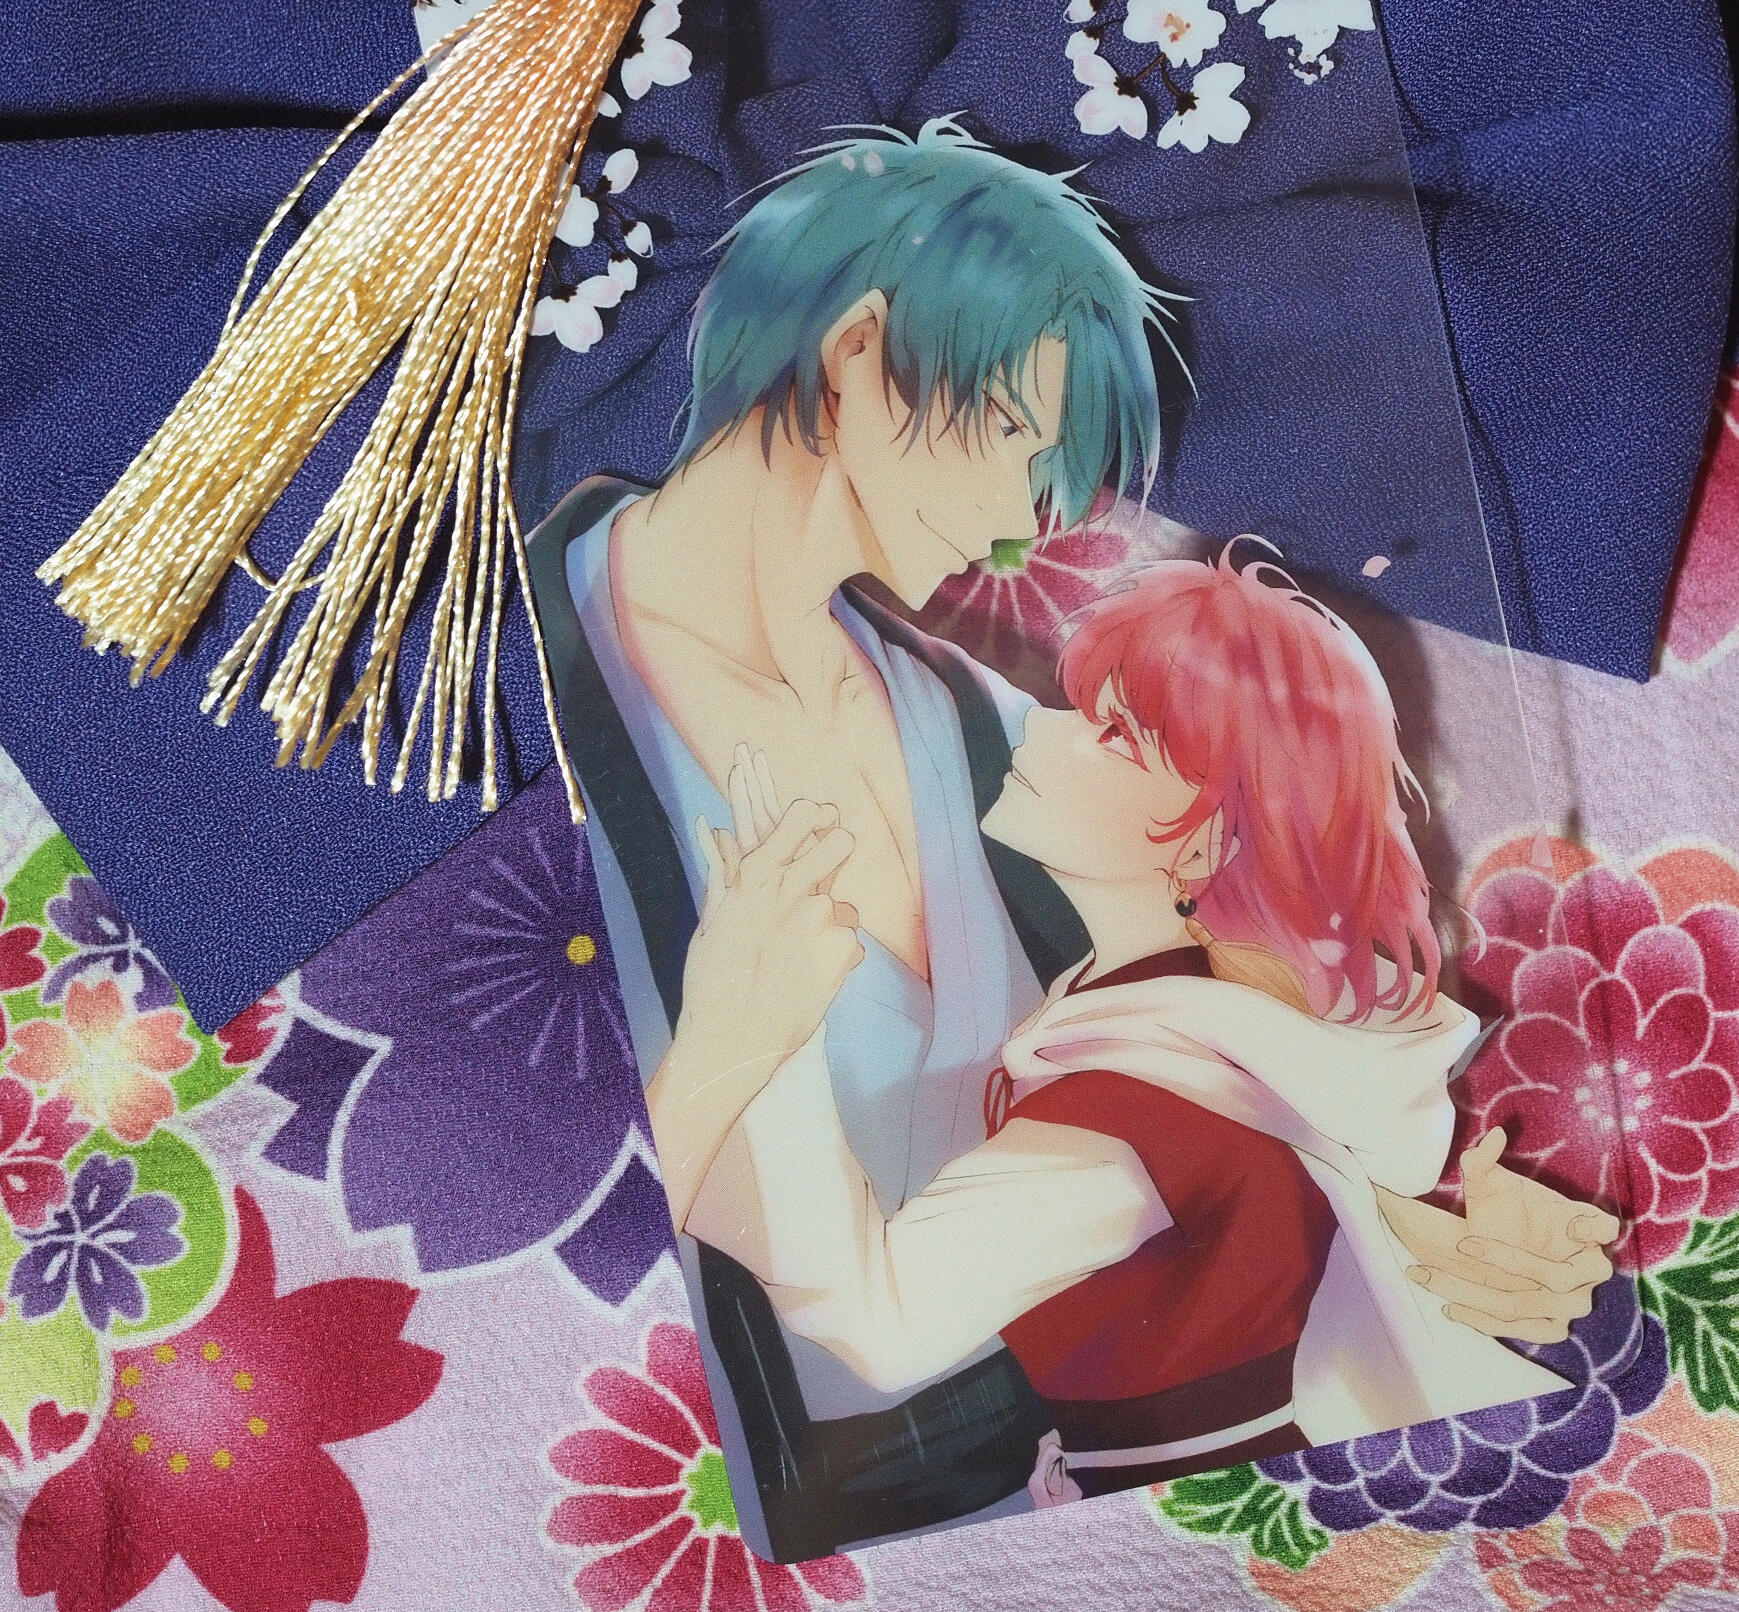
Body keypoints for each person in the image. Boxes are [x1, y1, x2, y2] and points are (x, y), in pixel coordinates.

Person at [527, 119, 1611, 1560]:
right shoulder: (513, 665)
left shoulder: (984, 727)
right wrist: (722, 1051)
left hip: (1081, 1493)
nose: (1016, 518)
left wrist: (1419, 1233)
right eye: (1007, 437)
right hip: (708, 1496)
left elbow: (1215, 1064)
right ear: (857, 354)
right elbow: (546, 1188)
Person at [648, 548, 1619, 1505]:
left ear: (1205, 838)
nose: (1044, 727)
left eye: (1113, 735)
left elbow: (881, 1327)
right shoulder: (1191, 1035)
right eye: (1078, 709)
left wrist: (759, 1024)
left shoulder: (1140, 1107)